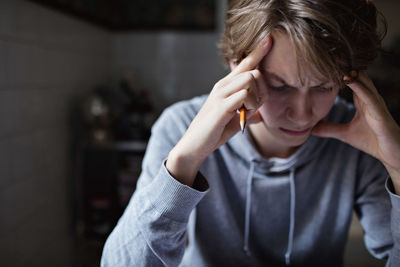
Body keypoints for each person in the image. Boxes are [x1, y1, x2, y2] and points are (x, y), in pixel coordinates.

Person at [101, 0, 400, 266]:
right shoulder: (180, 126)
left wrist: (398, 167)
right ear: (238, 67)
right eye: (281, 86)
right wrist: (185, 162)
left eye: (323, 87)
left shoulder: (358, 134)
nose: (302, 114)